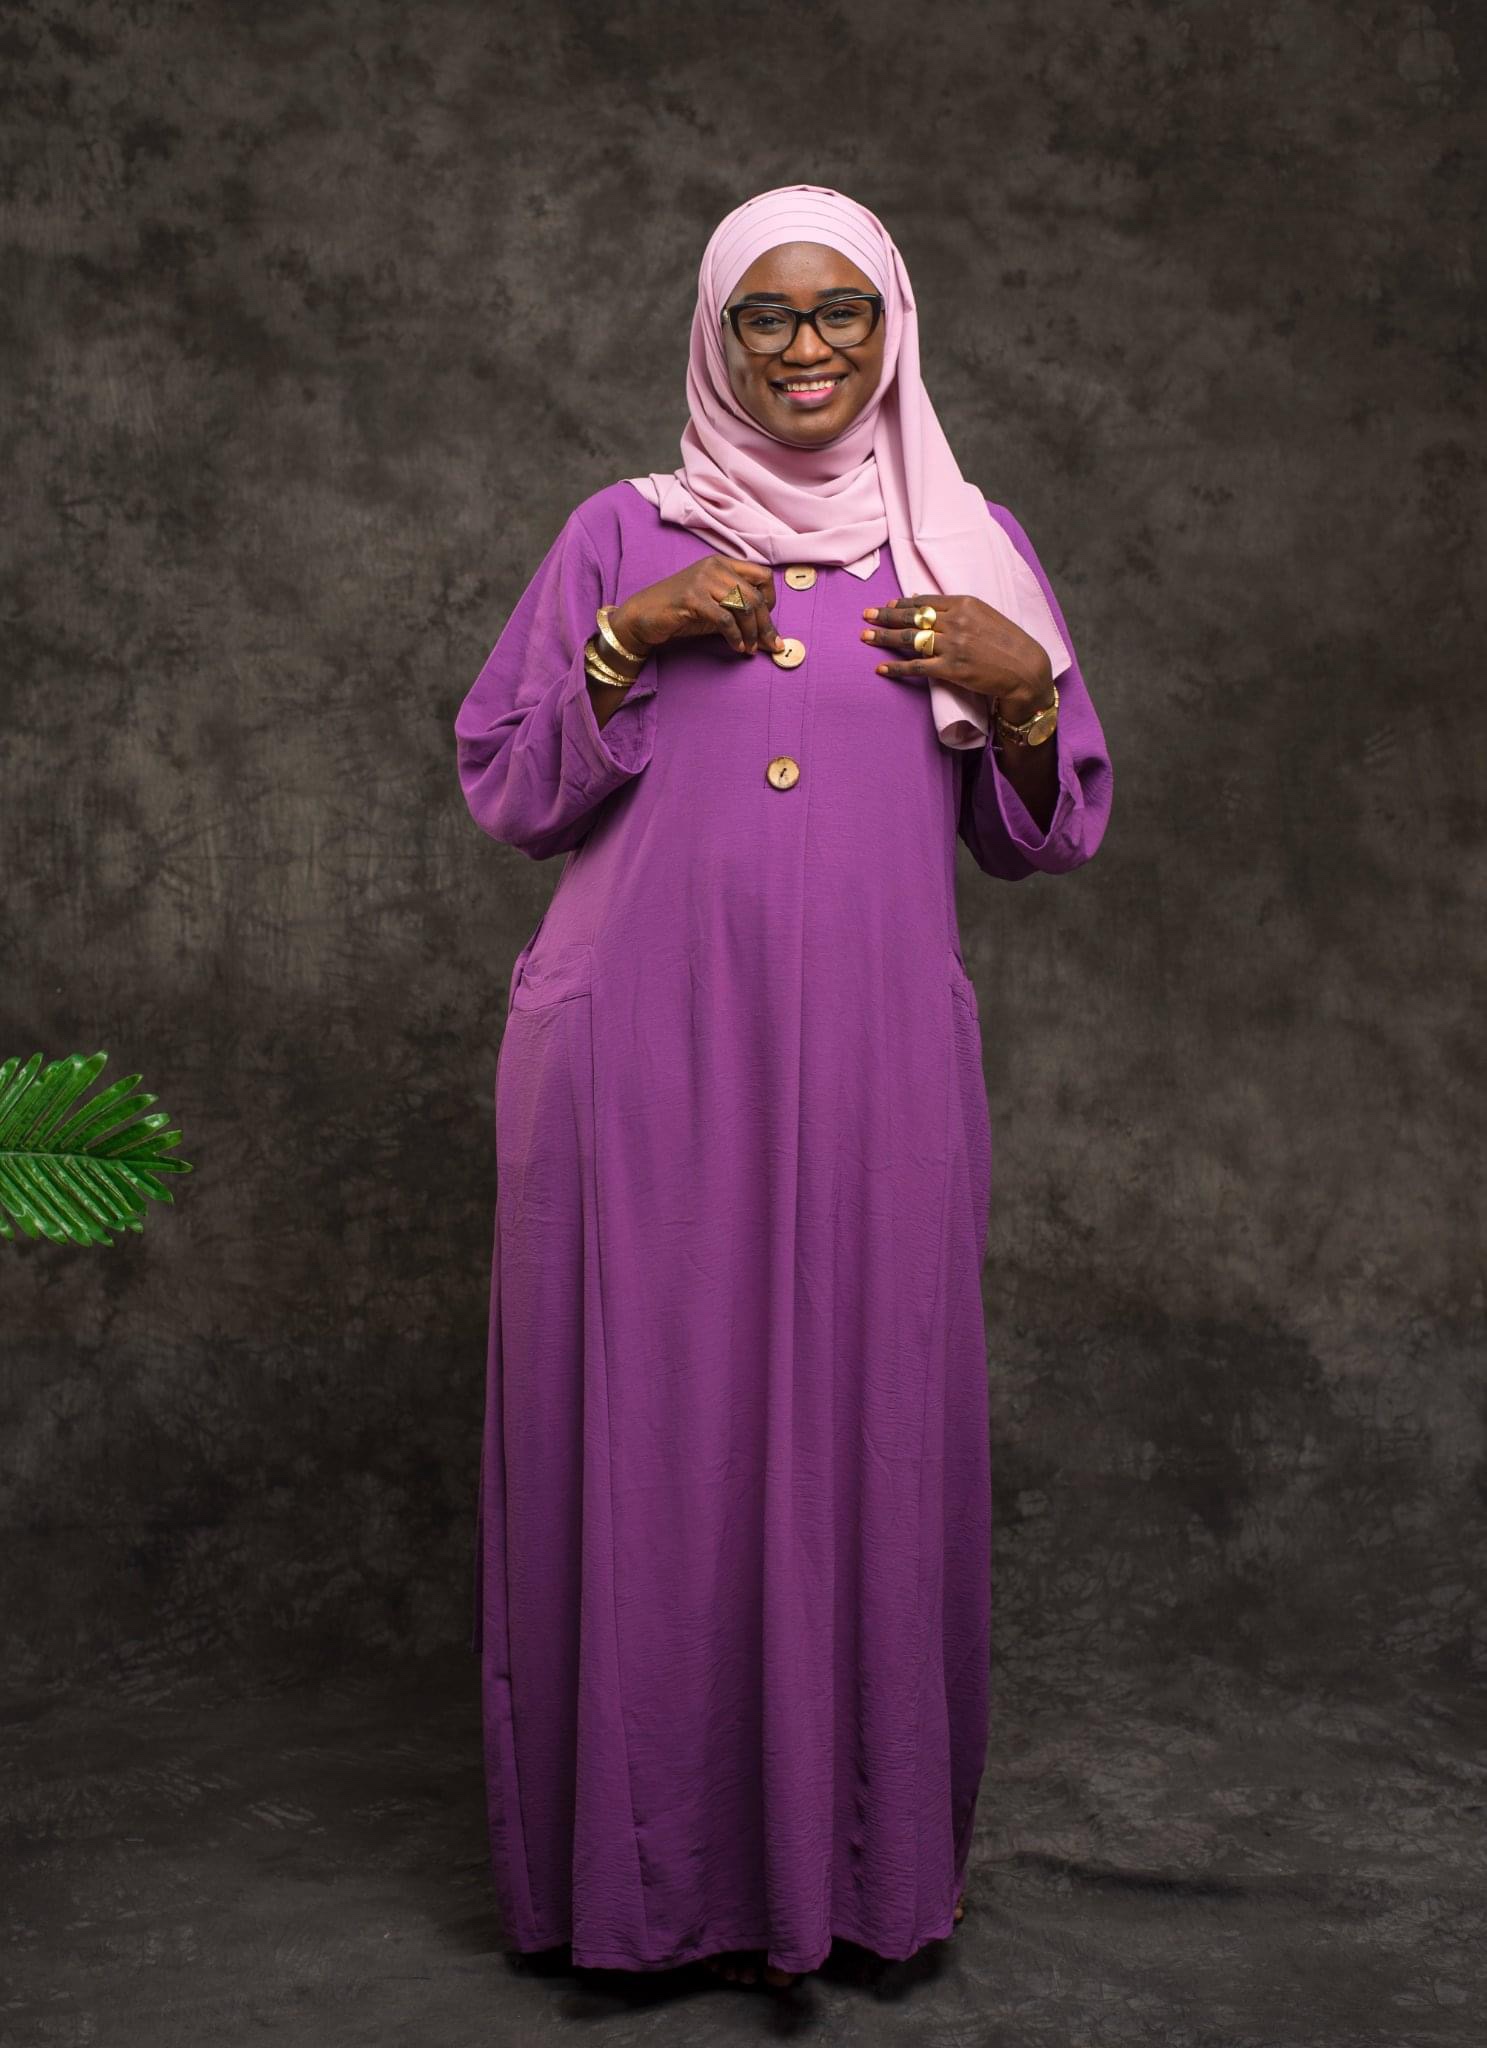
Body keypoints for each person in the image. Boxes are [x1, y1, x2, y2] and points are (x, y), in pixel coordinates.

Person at [454, 183, 1114, 1994]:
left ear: (894, 329)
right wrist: (626, 639)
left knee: (867, 1435)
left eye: (842, 312)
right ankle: (634, 1894)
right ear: (717, 335)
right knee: (645, 1443)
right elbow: (509, 789)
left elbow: (1045, 834)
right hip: (636, 1069)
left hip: (876, 1070)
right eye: (769, 314)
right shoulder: (624, 531)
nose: (807, 347)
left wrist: (1025, 694)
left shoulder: (968, 545)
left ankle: (854, 1880)